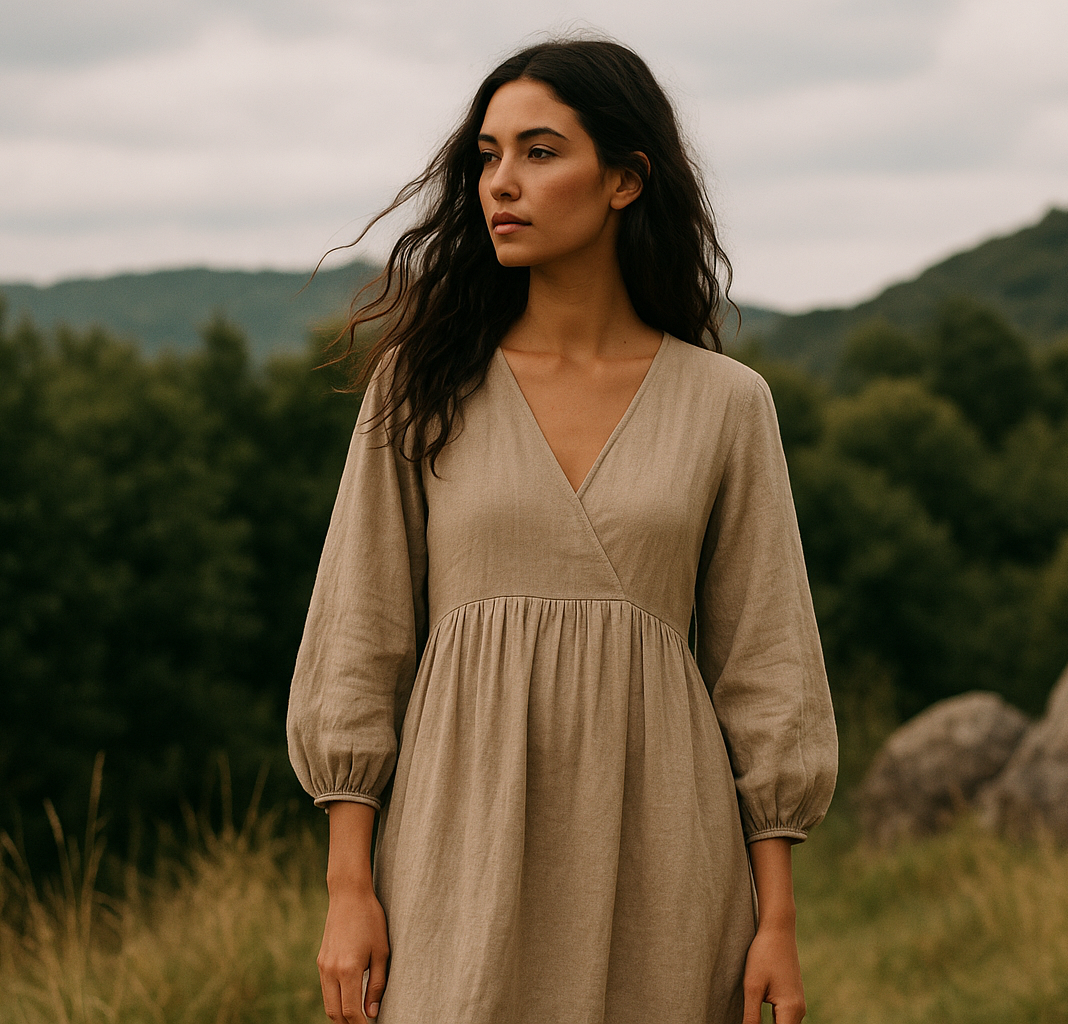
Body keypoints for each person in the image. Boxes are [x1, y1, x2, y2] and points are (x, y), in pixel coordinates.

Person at [287, 36, 837, 1024]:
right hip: (456, 858)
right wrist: (349, 888)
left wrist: (778, 920)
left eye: (540, 153)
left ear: (627, 179)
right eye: (489, 157)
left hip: (666, 858)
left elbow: (770, 672)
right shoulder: (423, 388)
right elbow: (357, 645)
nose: (503, 183)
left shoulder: (727, 405)